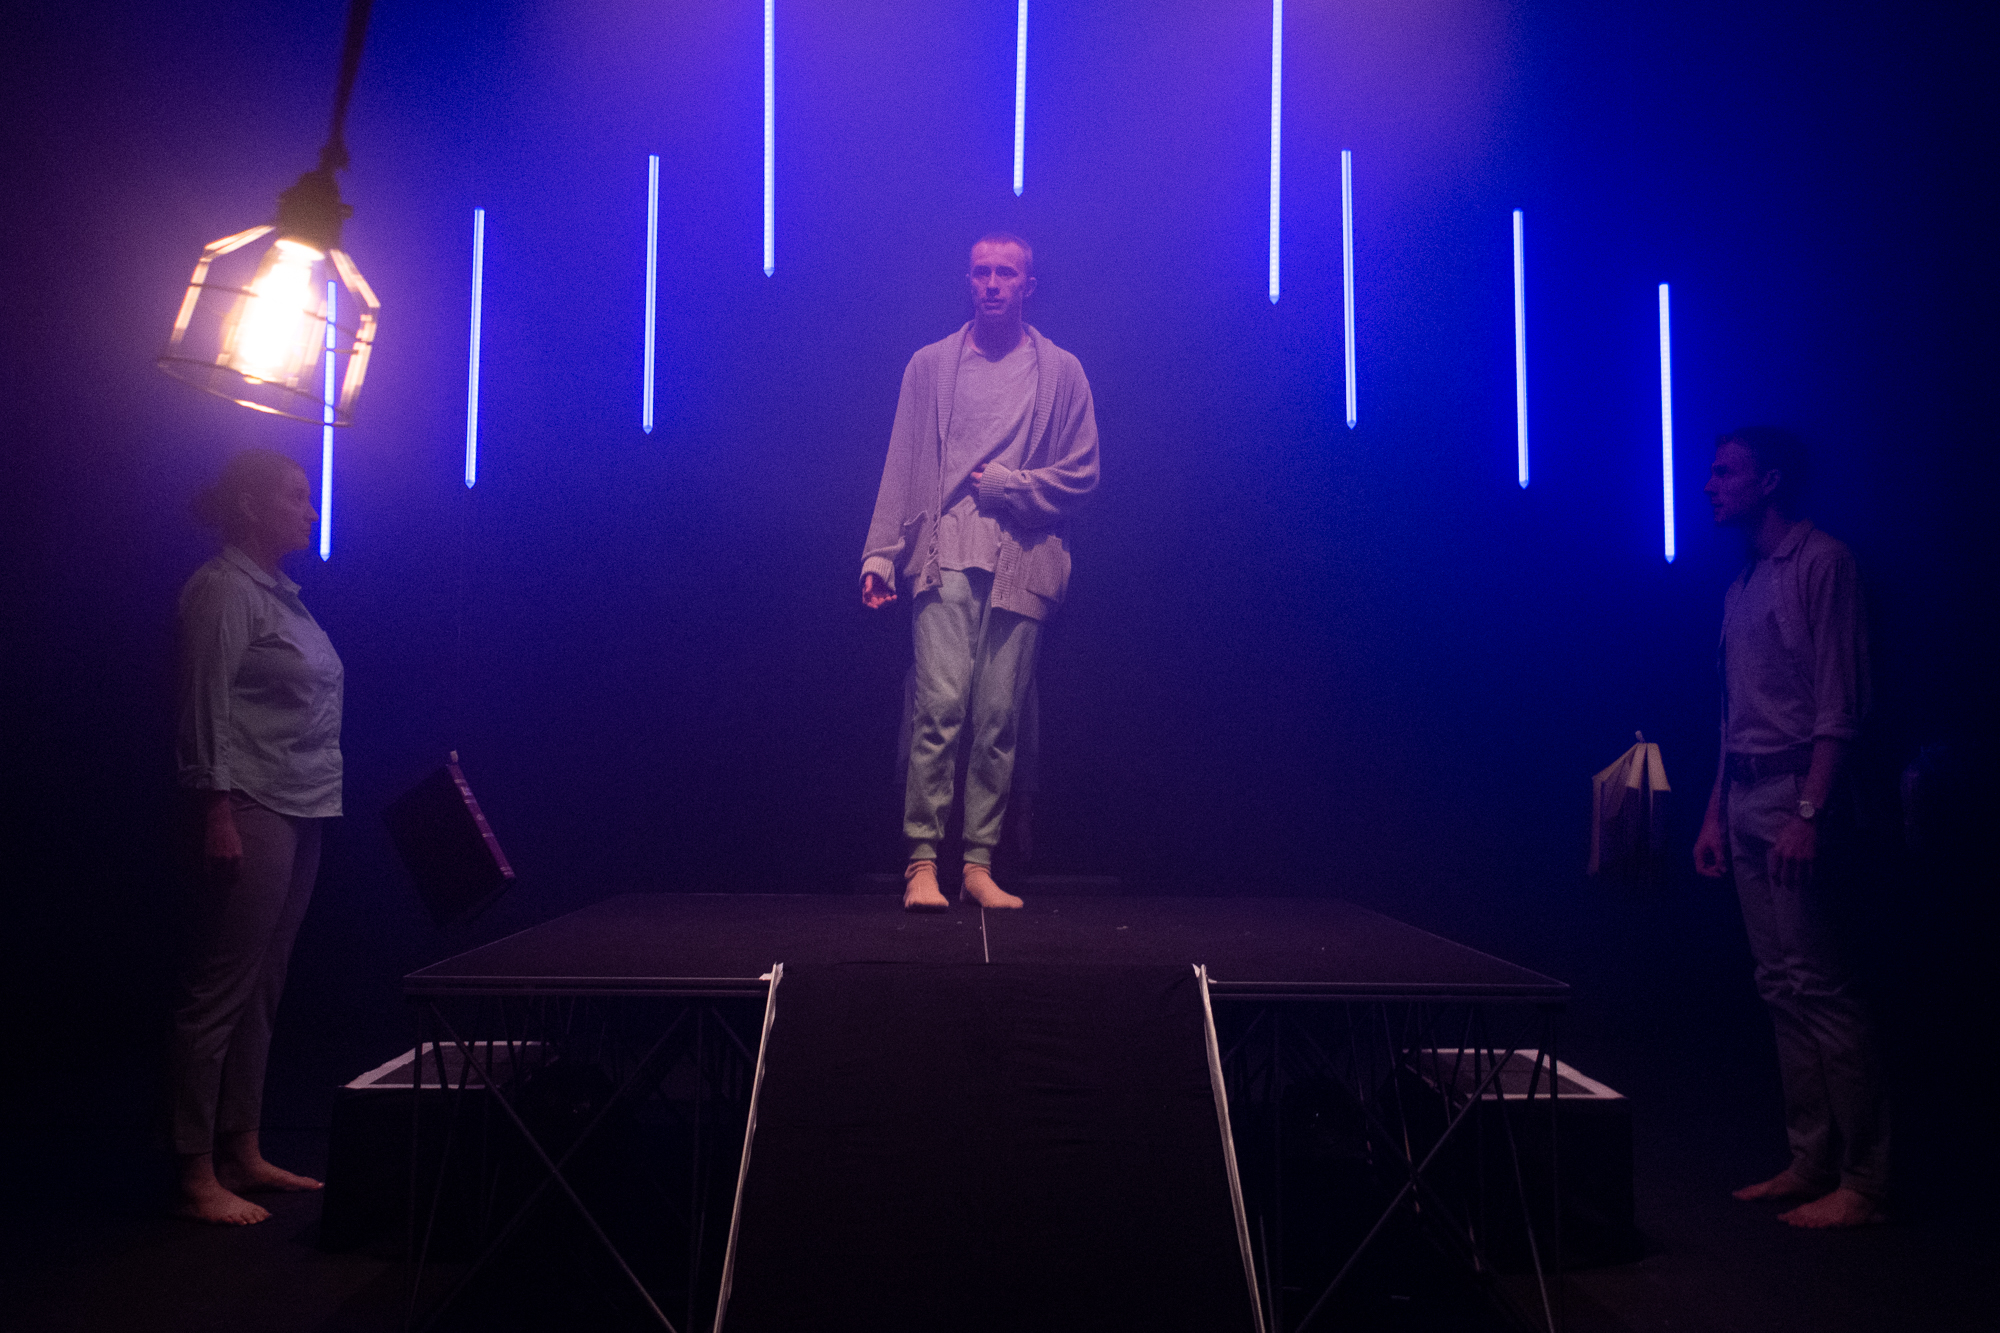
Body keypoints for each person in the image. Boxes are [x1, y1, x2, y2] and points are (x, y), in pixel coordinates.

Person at [861, 233, 1099, 912]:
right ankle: (921, 861)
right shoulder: (930, 365)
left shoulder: (1062, 372)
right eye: (981, 272)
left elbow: (1083, 474)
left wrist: (1009, 486)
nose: (992, 283)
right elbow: (902, 462)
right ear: (969, 281)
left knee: (998, 718)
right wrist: (879, 554)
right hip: (943, 555)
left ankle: (977, 863)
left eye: (1006, 273)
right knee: (939, 708)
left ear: (1028, 284)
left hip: (1022, 561)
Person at [1693, 426, 1888, 1229]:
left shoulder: (1823, 563)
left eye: (1725, 471)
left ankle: (1865, 1181)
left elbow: (1841, 703)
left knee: (1819, 985)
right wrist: (1714, 812)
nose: (1710, 484)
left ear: (1770, 481)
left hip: (1793, 795)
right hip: (1747, 795)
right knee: (1779, 985)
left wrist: (1809, 810)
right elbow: (1732, 716)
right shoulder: (1740, 586)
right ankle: (1811, 1159)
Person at [169, 449, 343, 1225]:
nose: (310, 510)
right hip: (251, 803)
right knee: (219, 989)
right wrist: (216, 809)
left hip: (301, 805)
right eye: (295, 496)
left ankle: (242, 1146)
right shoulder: (223, 590)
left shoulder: (282, 598)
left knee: (263, 986)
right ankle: (194, 1168)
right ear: (249, 505)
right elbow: (202, 703)